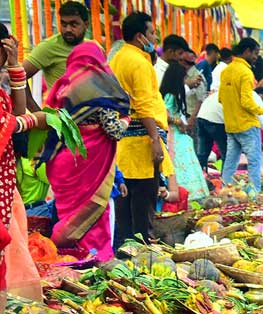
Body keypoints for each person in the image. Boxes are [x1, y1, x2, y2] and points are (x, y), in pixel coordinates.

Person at [44, 42, 128, 262]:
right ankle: (94, 261)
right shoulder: (100, 91)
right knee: (94, 217)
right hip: (91, 164)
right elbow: (113, 131)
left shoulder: (63, 88)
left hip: (65, 163)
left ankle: (67, 260)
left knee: (70, 217)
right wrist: (127, 121)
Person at [0, 23, 53, 314]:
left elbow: (15, 113)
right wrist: (32, 121)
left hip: (5, 187)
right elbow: (14, 123)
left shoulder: (1, 94)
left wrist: (17, 66)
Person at [110, 12, 176, 247]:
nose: (155, 37)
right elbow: (143, 102)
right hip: (141, 145)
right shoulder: (138, 62)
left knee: (124, 209)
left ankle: (124, 252)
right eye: (151, 33)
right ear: (140, 36)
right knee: (143, 209)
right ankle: (143, 251)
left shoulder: (117, 58)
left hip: (122, 145)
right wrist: (154, 140)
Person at [219, 37, 263, 193]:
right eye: (255, 53)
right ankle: (255, 194)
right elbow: (246, 102)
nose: (256, 57)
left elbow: (220, 98)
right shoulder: (246, 72)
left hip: (231, 125)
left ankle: (225, 191)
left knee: (230, 162)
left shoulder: (226, 71)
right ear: (247, 51)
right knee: (254, 161)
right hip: (247, 124)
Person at [24, 1, 93, 102]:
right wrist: (35, 110)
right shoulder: (48, 47)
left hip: (91, 114)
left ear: (86, 25)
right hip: (61, 116)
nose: (68, 29)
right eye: (64, 24)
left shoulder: (93, 48)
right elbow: (18, 76)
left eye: (74, 24)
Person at [160, 61, 208, 201]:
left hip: (179, 133)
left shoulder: (175, 93)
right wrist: (178, 121)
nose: (186, 81)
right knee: (180, 160)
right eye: (184, 78)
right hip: (172, 134)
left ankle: (188, 193)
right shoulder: (169, 95)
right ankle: (183, 193)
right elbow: (163, 113)